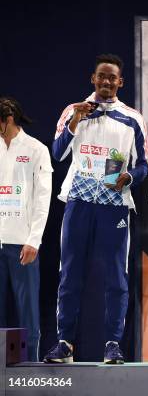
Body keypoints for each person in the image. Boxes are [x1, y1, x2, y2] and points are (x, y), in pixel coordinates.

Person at [44, 54, 148, 364]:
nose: (106, 81)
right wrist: (76, 121)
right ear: (93, 78)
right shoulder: (73, 111)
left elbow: (144, 164)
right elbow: (57, 153)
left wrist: (129, 177)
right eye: (101, 76)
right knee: (70, 274)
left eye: (111, 77)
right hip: (79, 202)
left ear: (120, 82)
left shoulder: (133, 119)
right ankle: (64, 344)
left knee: (117, 277)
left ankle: (113, 344)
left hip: (114, 207)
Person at [0, 97, 53, 361]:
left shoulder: (36, 149)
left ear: (8, 120)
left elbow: (43, 198)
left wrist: (34, 240)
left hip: (23, 245)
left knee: (27, 313)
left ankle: (30, 367)